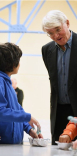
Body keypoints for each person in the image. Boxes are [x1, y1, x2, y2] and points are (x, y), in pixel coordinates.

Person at [0, 42, 43, 144]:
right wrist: (27, 117)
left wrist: (28, 128)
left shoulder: (6, 82)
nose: (19, 64)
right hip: (3, 144)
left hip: (13, 143)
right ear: (11, 64)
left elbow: (15, 110)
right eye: (18, 61)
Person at [41, 10, 77, 145]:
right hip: (58, 111)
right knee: (57, 149)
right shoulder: (46, 50)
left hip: (76, 110)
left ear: (67, 23)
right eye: (50, 33)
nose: (56, 36)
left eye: (58, 30)